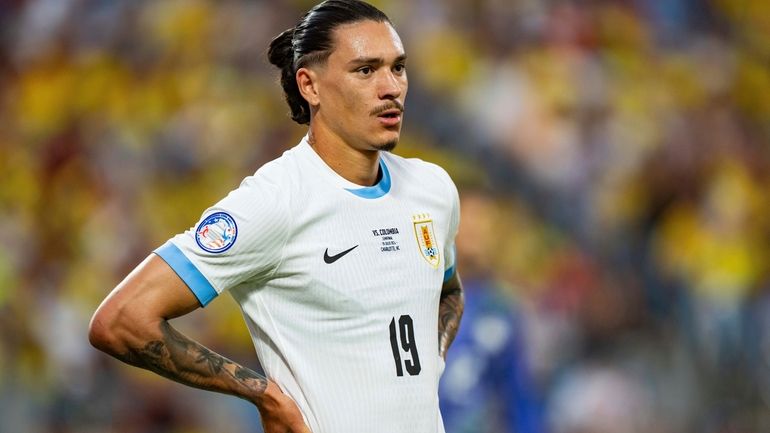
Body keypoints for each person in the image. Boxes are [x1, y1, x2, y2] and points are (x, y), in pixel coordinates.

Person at [88, 1, 464, 432]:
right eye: (365, 70)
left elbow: (448, 290)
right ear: (310, 85)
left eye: (398, 68)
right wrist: (260, 394)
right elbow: (121, 320)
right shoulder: (275, 202)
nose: (390, 87)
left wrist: (430, 359)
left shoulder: (432, 189)